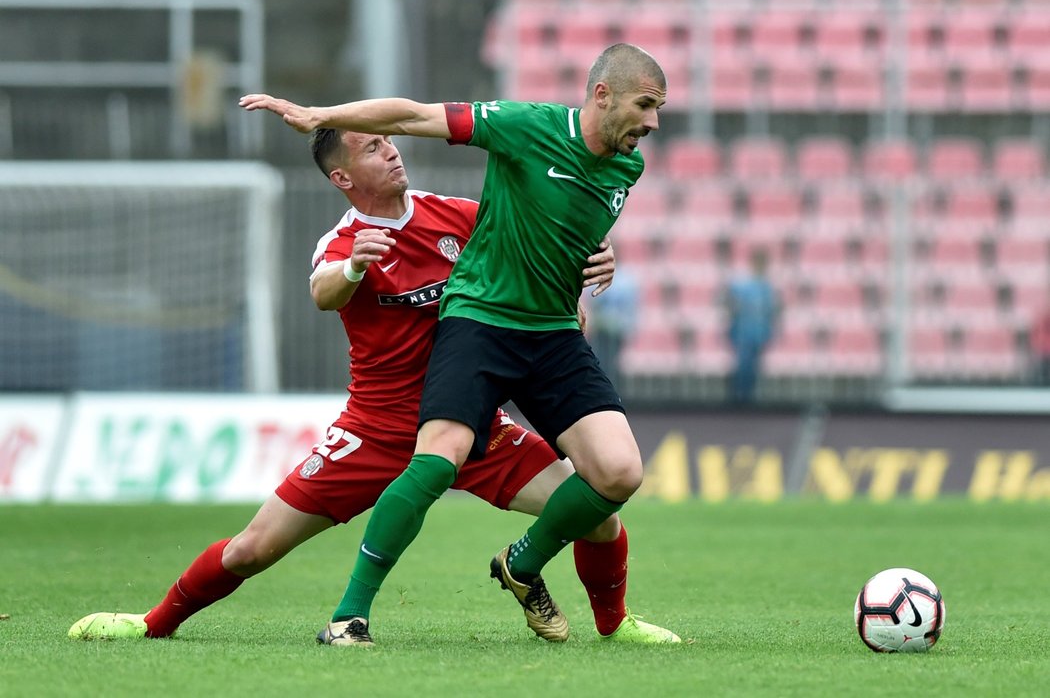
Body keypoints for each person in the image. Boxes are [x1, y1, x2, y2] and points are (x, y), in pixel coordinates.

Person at [67, 125, 679, 646]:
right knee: (251, 549)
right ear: (342, 177)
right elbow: (321, 292)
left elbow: (537, 251)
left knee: (596, 508)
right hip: (377, 431)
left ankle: (614, 624)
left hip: (475, 426)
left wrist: (596, 259)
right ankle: (152, 624)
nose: (391, 152)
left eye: (390, 141)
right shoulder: (342, 243)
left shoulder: (456, 216)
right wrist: (357, 265)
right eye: (371, 148)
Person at [238, 42, 667, 646]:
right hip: (480, 322)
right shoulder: (526, 126)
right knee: (438, 459)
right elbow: (413, 115)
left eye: (660, 109)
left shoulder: (628, 168)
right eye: (646, 105)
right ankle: (349, 616)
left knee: (619, 475)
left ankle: (523, 566)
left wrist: (597, 261)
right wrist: (319, 114)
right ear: (604, 95)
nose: (653, 122)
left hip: (549, 333)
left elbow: (562, 239)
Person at [723, 247, 780, 404]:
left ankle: (747, 398)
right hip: (743, 333)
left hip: (759, 333)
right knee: (744, 365)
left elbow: (772, 311)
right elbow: (730, 305)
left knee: (753, 366)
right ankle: (738, 397)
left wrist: (770, 331)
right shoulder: (742, 284)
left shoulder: (767, 287)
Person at [585, 264, 640, 391]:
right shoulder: (625, 280)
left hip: (614, 330)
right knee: (602, 362)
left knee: (608, 364)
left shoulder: (624, 280)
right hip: (602, 330)